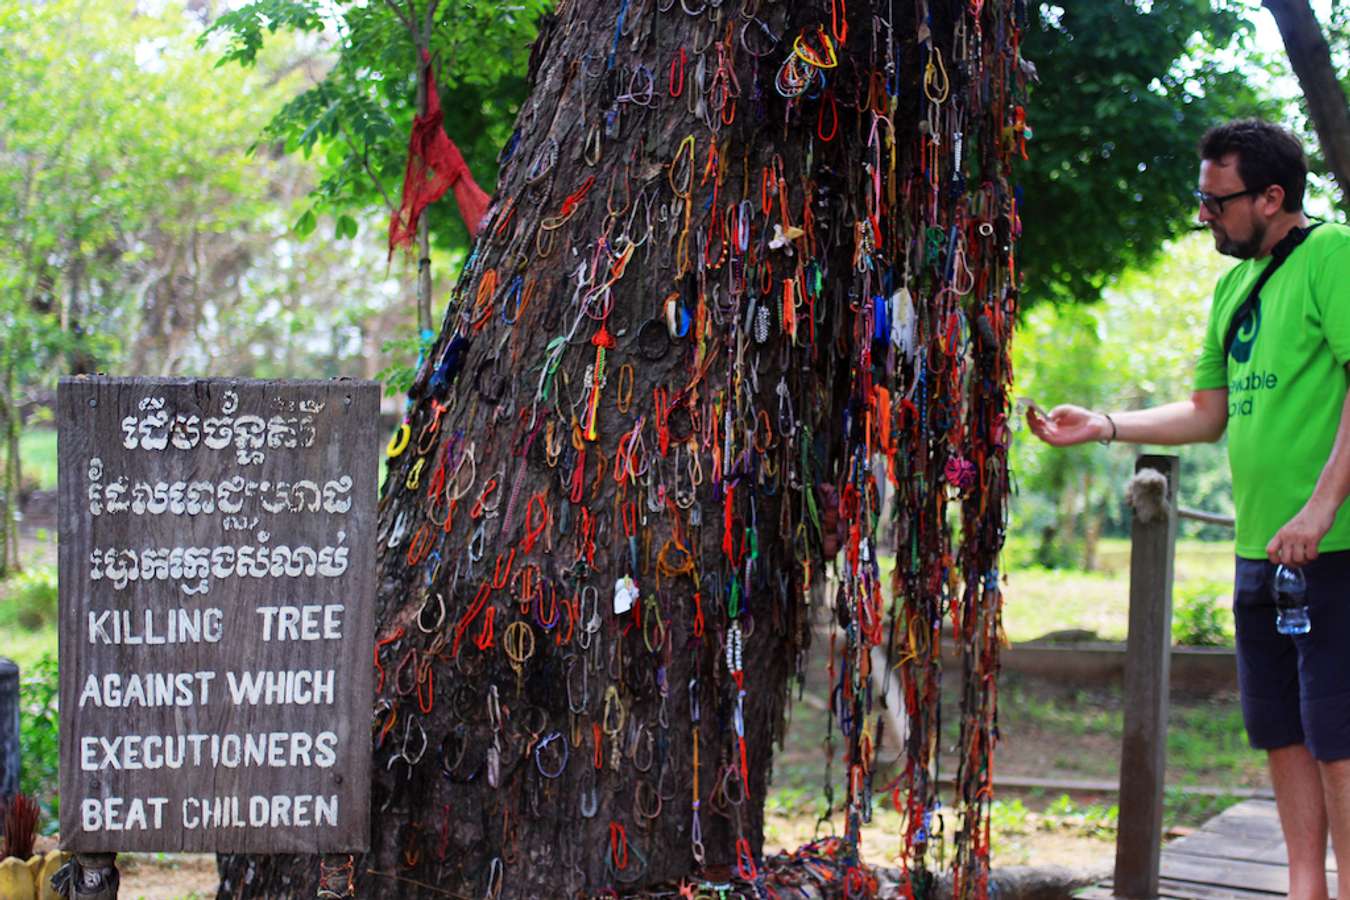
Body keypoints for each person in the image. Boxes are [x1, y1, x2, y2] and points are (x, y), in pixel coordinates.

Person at [1028, 119, 1350, 900]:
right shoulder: (1233, 286)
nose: (1203, 214)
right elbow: (1209, 415)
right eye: (1199, 198)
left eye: (1217, 201)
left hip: (1333, 551)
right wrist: (1102, 425)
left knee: (1339, 743)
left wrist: (1317, 511)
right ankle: (1304, 888)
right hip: (1259, 553)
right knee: (1282, 734)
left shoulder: (1333, 256)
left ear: (1273, 197)